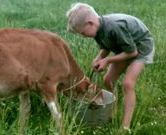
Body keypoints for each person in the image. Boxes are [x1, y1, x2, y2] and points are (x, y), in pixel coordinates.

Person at [66, 2, 155, 130]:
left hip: (141, 48)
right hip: (124, 49)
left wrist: (107, 60)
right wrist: (99, 58)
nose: (83, 36)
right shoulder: (97, 30)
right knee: (108, 80)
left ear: (90, 23)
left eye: (83, 33)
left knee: (128, 84)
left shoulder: (114, 26)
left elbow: (132, 52)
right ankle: (112, 111)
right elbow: (105, 48)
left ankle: (125, 126)